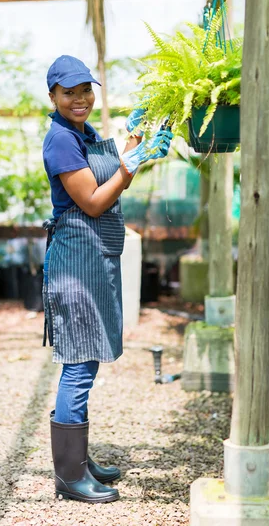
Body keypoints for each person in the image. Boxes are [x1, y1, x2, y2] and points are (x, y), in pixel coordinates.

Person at [42, 55, 172, 504]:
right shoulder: (60, 141)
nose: (80, 99)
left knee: (88, 358)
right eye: (69, 92)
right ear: (53, 96)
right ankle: (69, 475)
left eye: (86, 90)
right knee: (79, 362)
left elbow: (115, 179)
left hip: (94, 258)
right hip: (76, 262)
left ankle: (78, 459)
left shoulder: (85, 134)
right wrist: (131, 164)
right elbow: (95, 203)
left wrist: (138, 140)